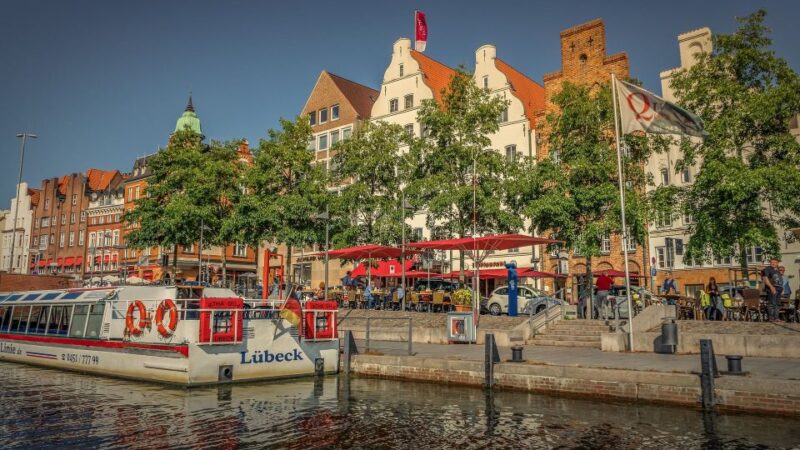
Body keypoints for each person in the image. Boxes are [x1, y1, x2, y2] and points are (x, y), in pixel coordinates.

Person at [761, 258, 783, 323]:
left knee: (777, 304)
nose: (773, 263)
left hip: (779, 289)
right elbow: (765, 278)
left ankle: (776, 318)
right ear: (770, 263)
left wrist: (782, 288)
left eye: (775, 262)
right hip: (773, 288)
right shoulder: (768, 269)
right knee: (772, 303)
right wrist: (771, 287)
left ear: (777, 263)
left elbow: (779, 280)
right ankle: (771, 318)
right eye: (772, 262)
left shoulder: (777, 270)